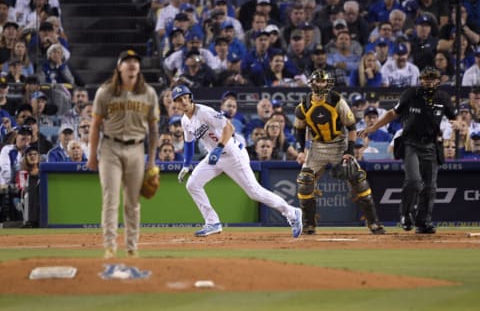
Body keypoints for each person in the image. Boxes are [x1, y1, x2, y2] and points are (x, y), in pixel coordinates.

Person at [172, 84, 302, 238]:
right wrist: (186, 165)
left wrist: (219, 148)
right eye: (180, 100)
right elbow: (188, 143)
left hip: (232, 154)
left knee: (254, 192)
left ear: (190, 97)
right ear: (176, 104)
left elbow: (229, 128)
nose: (184, 101)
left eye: (186, 97)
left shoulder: (205, 112)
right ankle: (212, 222)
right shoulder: (185, 121)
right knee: (192, 184)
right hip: (215, 156)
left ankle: (292, 212)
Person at [359, 67, 458, 234]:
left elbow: (455, 118)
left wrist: (457, 124)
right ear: (421, 80)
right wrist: (373, 128)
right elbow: (393, 113)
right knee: (413, 180)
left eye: (432, 78)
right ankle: (406, 214)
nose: (429, 82)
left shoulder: (443, 97)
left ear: (438, 81)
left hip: (431, 145)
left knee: (430, 186)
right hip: (411, 142)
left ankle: (423, 221)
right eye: (426, 78)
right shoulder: (411, 94)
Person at [86, 50, 159, 259]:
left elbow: (154, 130)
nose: (132, 64)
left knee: (133, 202)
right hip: (110, 148)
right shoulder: (105, 92)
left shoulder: (149, 93)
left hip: (137, 149)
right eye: (127, 61)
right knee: (110, 200)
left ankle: (132, 247)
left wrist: (152, 161)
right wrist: (92, 156)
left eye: (135, 61)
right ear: (119, 67)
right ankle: (110, 247)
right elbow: (95, 126)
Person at [294, 69, 385, 235]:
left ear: (328, 84)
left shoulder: (337, 101)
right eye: (317, 81)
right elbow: (299, 129)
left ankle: (374, 223)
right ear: (312, 83)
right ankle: (309, 225)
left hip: (339, 144)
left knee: (359, 179)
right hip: (317, 146)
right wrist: (301, 150)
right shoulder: (304, 105)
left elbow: (351, 127)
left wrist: (349, 151)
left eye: (323, 81)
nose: (320, 84)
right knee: (305, 182)